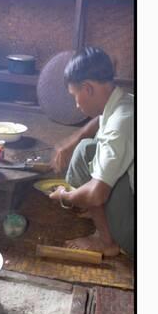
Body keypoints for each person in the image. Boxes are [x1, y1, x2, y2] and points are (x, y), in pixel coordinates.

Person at [49, 47, 134, 257]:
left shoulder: (119, 126)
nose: (76, 104)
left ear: (87, 88)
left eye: (74, 96)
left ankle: (108, 241)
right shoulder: (123, 101)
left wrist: (65, 197)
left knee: (90, 184)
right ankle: (105, 223)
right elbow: (100, 119)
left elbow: (96, 194)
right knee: (84, 148)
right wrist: (73, 139)